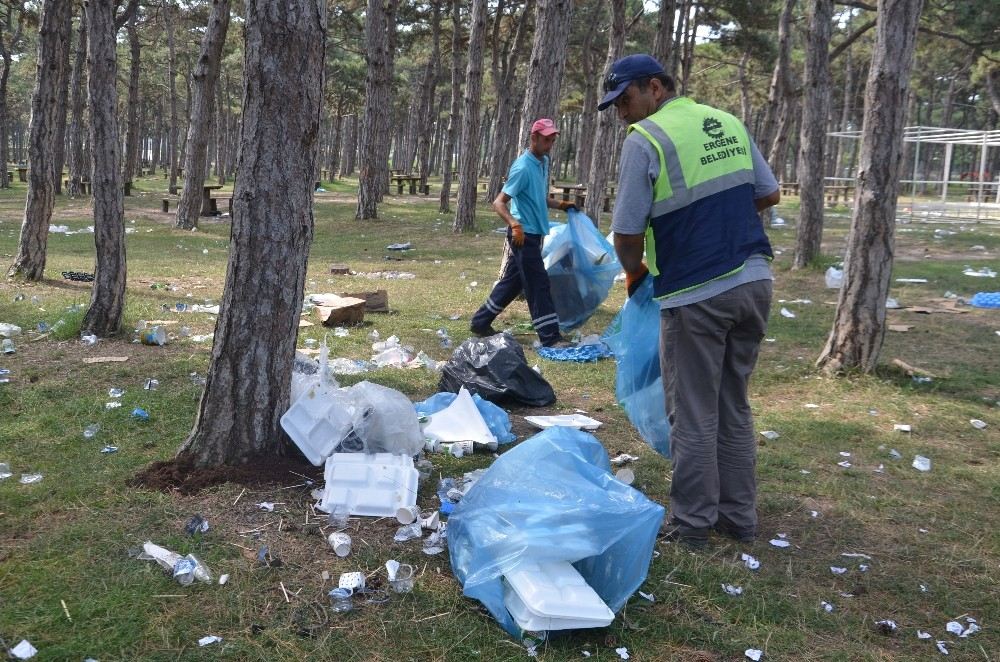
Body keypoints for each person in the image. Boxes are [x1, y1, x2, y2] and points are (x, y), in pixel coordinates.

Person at [600, 54, 780, 549]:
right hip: (754, 281)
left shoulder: (645, 139)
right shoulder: (726, 122)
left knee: (693, 411)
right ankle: (739, 518)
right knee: (732, 404)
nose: (621, 113)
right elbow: (768, 194)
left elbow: (627, 232)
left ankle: (693, 524)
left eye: (625, 100)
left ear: (654, 88)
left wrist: (635, 272)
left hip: (697, 294)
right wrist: (718, 220)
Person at [470, 118, 575, 347]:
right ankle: (550, 337)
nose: (550, 145)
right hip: (523, 236)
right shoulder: (523, 167)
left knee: (512, 284)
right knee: (538, 284)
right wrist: (515, 225)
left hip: (535, 234)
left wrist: (561, 204)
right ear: (534, 138)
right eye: (546, 140)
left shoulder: (542, 162)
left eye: (553, 140)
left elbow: (537, 197)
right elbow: (498, 203)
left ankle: (480, 322)